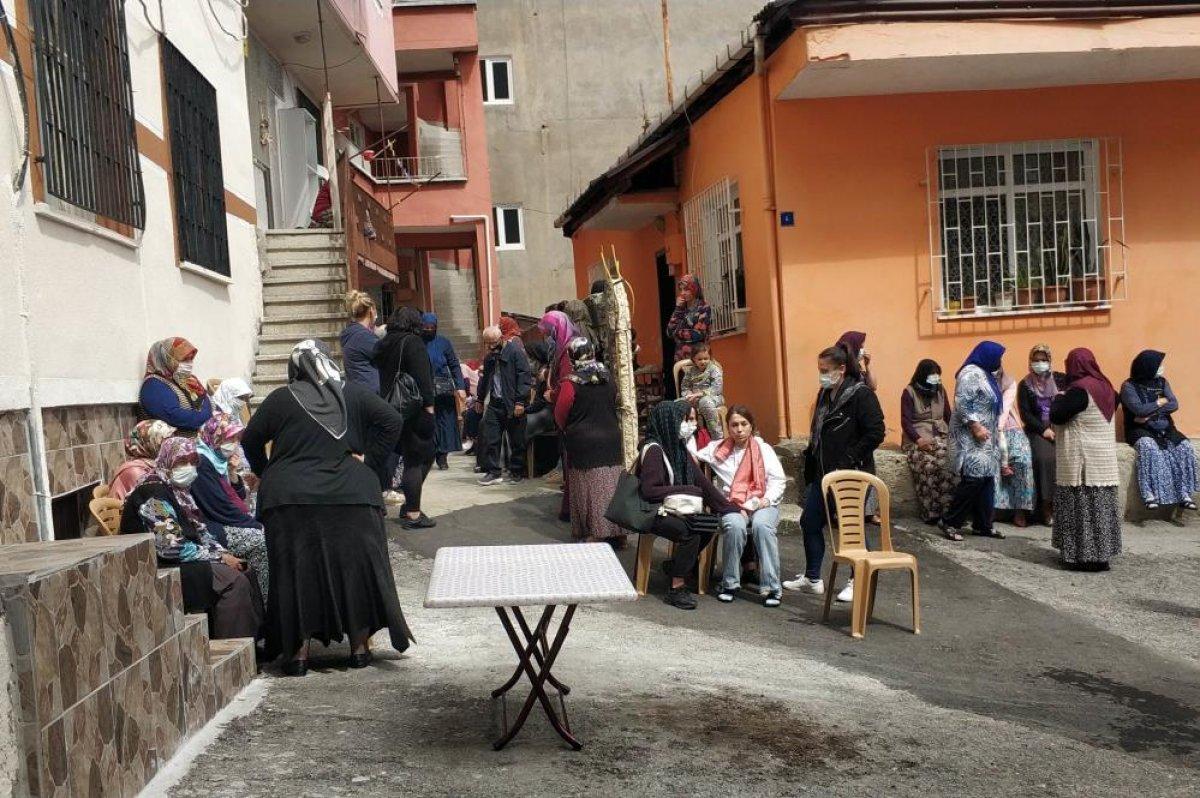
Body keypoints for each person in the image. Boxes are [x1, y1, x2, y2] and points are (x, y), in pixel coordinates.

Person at [242, 340, 411, 675]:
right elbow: (392, 419)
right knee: (356, 571)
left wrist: (269, 473)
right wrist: (370, 463)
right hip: (353, 497)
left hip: (289, 501)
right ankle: (359, 648)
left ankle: (298, 653)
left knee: (296, 573)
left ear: (295, 369)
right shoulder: (353, 393)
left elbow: (249, 441)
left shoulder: (281, 398)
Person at [119, 437, 262, 640]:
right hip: (157, 565)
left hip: (181, 558)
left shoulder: (179, 492)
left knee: (244, 570)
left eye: (193, 463)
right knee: (233, 581)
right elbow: (170, 547)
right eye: (181, 462)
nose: (189, 469)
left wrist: (221, 553)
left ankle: (253, 646)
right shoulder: (153, 493)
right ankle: (231, 647)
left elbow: (200, 531)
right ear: (167, 462)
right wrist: (218, 559)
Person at [783, 344, 885, 603]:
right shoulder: (825, 394)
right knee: (810, 522)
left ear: (841, 369)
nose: (822, 375)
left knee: (853, 530)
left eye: (825, 370)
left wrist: (850, 457)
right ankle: (812, 577)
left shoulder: (860, 395)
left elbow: (876, 432)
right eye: (819, 370)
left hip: (852, 474)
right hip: (824, 473)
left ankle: (856, 578)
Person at [690, 406, 787, 607]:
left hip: (763, 503)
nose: (739, 429)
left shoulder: (763, 449)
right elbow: (691, 455)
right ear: (728, 427)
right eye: (734, 425)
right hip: (733, 505)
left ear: (752, 426)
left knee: (762, 526)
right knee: (734, 526)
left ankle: (771, 586)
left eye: (744, 424)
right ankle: (730, 584)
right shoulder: (717, 449)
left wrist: (764, 501)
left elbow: (778, 480)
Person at [638, 401, 731, 610]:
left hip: (674, 508)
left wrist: (727, 508)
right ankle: (676, 587)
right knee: (691, 532)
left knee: (707, 524)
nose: (691, 425)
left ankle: (676, 566)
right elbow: (649, 491)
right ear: (670, 421)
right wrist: (685, 491)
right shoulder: (654, 450)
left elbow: (703, 485)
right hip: (652, 511)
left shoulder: (678, 448)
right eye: (685, 420)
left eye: (692, 419)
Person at [1051, 349, 1121, 571]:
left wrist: (1059, 394)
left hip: (1082, 463)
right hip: (1103, 462)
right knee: (1100, 511)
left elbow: (1056, 415)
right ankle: (1101, 556)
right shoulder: (1108, 389)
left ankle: (1081, 558)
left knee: (1080, 510)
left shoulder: (1078, 392)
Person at [554, 338, 625, 545]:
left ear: (573, 356)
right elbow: (615, 399)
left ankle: (596, 533)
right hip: (611, 438)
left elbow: (561, 412)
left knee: (590, 491)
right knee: (611, 486)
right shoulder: (607, 376)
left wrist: (567, 428)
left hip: (583, 443)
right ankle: (618, 532)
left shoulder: (571, 382)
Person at [190, 415, 269, 600]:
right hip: (213, 528)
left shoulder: (218, 461)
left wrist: (232, 473)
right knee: (262, 540)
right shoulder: (202, 463)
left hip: (225, 520)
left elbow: (237, 497)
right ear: (215, 437)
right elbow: (220, 507)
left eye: (236, 439)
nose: (234, 444)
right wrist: (254, 525)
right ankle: (266, 604)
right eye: (229, 438)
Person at [375, 307, 437, 528]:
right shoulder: (413, 343)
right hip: (414, 409)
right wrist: (429, 407)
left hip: (391, 407)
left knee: (420, 456)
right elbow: (423, 378)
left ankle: (410, 503)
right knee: (417, 459)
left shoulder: (384, 343)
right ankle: (412, 513)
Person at [941, 341, 1006, 541]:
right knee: (973, 479)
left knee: (986, 479)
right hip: (970, 437)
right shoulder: (970, 373)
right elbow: (962, 402)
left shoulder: (985, 374)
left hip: (986, 438)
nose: (1000, 362)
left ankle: (983, 524)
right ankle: (950, 521)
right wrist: (975, 426)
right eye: (997, 357)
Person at [1121, 350, 1198, 512]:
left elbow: (1174, 404)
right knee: (1149, 448)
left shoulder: (1162, 382)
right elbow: (1138, 409)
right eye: (1157, 365)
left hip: (1165, 428)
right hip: (1140, 429)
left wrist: (1151, 413)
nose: (1161, 368)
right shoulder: (1129, 386)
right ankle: (1150, 495)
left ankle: (1184, 494)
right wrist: (1159, 403)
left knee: (1184, 447)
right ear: (1147, 367)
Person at [900, 359, 956, 525]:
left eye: (937, 375)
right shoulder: (909, 392)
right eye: (932, 375)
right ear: (923, 375)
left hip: (942, 436)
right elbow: (905, 421)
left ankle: (950, 512)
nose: (936, 378)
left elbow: (948, 415)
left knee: (950, 462)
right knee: (929, 466)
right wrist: (918, 440)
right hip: (917, 439)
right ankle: (932, 512)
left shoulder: (940, 390)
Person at [477, 323, 533, 486]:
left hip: (513, 403)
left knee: (516, 439)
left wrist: (520, 401)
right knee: (490, 437)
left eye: (493, 343)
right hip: (495, 402)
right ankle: (493, 472)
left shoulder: (515, 352)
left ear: (501, 338)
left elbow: (524, 377)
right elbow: (485, 380)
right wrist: (480, 399)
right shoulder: (490, 358)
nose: (490, 347)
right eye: (487, 344)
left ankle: (516, 471)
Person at [1018, 344, 1064, 525]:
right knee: (1045, 458)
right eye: (1036, 360)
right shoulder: (1025, 385)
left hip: (1060, 426)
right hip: (1037, 429)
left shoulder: (1060, 380)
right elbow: (1026, 414)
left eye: (1043, 360)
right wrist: (1043, 430)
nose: (1040, 363)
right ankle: (1046, 507)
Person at [421, 312, 467, 470]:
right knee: (429, 423)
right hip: (424, 390)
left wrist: (460, 387)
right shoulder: (417, 342)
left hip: (443, 390)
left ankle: (443, 456)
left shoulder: (443, 343)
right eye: (425, 327)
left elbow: (454, 364)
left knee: (446, 423)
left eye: (431, 327)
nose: (428, 330)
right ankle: (430, 454)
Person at [139, 337, 212, 432]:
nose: (189, 364)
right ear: (166, 358)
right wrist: (208, 415)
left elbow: (204, 401)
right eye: (184, 359)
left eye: (191, 359)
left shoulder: (187, 381)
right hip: (173, 445)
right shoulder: (153, 386)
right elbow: (177, 417)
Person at [995, 368, 1035, 526]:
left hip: (1009, 427)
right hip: (985, 429)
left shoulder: (1009, 382)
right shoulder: (977, 382)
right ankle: (994, 509)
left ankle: (1020, 510)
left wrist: (998, 427)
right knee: (990, 461)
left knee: (1022, 461)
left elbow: (1004, 409)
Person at [109, 420, 176, 501]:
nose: (171, 447)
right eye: (166, 443)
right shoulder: (135, 471)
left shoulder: (154, 464)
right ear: (149, 443)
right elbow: (154, 504)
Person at [340, 290, 383, 394]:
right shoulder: (364, 337)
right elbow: (385, 357)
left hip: (358, 390)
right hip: (370, 394)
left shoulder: (351, 334)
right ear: (371, 311)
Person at [680, 343, 725, 441]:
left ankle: (717, 437)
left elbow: (717, 389)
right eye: (699, 359)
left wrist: (701, 394)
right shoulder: (690, 372)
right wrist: (688, 395)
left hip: (713, 398)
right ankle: (685, 437)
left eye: (706, 358)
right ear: (693, 359)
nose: (703, 361)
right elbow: (684, 387)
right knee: (677, 404)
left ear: (710, 358)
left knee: (705, 402)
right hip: (694, 399)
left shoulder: (714, 369)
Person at [666, 274, 712, 364]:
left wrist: (678, 333)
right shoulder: (681, 309)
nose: (683, 293)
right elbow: (669, 332)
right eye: (681, 290)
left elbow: (698, 334)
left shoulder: (703, 308)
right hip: (681, 361)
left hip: (699, 361)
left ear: (694, 289)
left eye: (686, 289)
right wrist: (678, 309)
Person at [538, 310, 578, 400]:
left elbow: (567, 380)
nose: (548, 338)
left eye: (549, 333)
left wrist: (553, 395)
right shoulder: (560, 347)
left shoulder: (570, 349)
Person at [460, 358, 483, 454]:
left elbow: (466, 382)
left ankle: (473, 441)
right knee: (468, 413)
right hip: (477, 399)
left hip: (480, 400)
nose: (480, 373)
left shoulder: (462, 367)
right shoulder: (481, 378)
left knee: (471, 414)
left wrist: (468, 396)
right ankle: (473, 441)